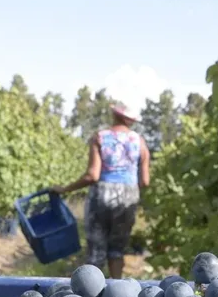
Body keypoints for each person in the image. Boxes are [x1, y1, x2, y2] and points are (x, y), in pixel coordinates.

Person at [50, 104, 150, 279]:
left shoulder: (100, 137)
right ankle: (117, 291)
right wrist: (127, 188)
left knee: (96, 251)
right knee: (117, 250)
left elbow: (92, 175)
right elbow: (145, 181)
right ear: (131, 121)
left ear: (114, 115)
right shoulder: (139, 141)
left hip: (102, 194)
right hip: (129, 196)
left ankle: (91, 291)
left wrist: (65, 189)